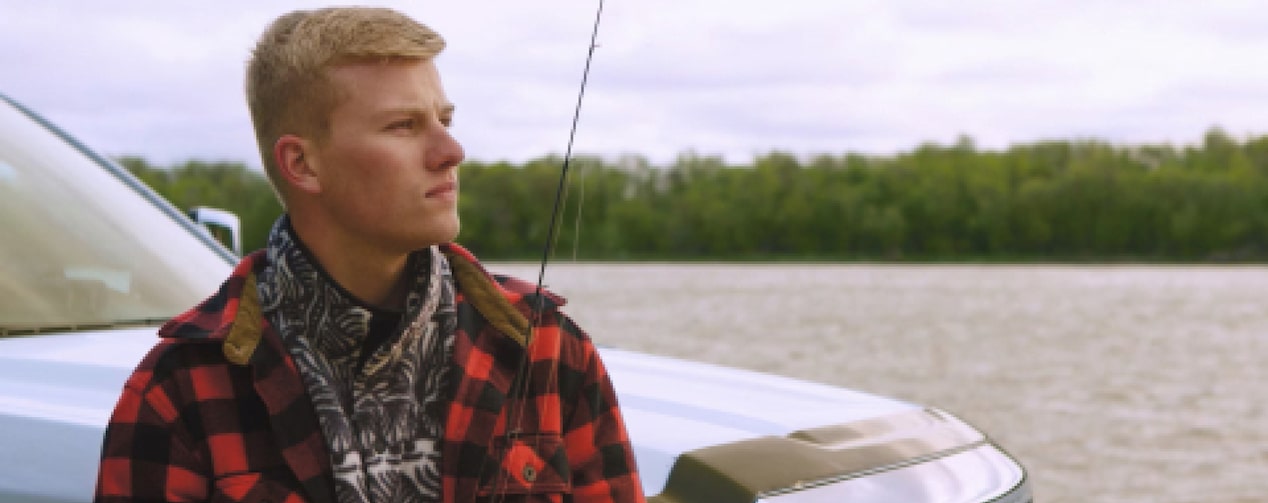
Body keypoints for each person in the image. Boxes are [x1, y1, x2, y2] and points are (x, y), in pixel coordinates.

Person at [94, 7, 644, 503]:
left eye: (444, 121)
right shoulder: (181, 391)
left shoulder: (548, 347)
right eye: (403, 126)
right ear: (303, 164)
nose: (451, 152)